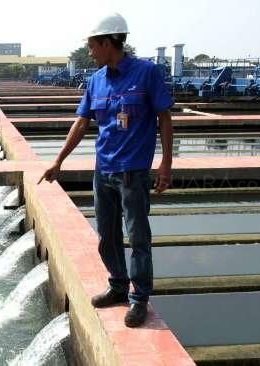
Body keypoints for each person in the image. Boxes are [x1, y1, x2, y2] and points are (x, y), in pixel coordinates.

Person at [39, 13, 174, 327]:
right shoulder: (95, 80)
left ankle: (139, 299)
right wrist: (58, 160)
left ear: (108, 42)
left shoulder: (147, 73)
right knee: (107, 236)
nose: (89, 52)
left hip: (134, 172)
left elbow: (164, 118)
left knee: (138, 237)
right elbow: (82, 122)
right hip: (104, 170)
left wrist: (166, 163)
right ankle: (117, 285)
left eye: (91, 46)